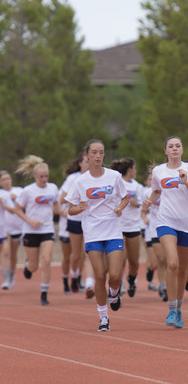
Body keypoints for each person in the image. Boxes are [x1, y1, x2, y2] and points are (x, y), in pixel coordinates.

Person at [65, 139, 129, 331]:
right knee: (100, 276)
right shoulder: (80, 181)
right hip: (92, 232)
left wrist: (119, 207)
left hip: (113, 229)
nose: (98, 156)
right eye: (94, 153)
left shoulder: (114, 176)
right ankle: (103, 317)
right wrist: (79, 207)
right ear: (87, 155)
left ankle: (114, 293)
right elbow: (70, 209)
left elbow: (125, 198)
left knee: (115, 275)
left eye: (101, 153)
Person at [143, 136, 188, 329]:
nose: (174, 148)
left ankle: (178, 309)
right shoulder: (159, 171)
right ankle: (171, 309)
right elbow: (156, 190)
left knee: (182, 270)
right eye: (171, 146)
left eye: (178, 146)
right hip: (165, 221)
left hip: (187, 223)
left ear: (182, 149)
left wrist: (186, 182)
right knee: (172, 263)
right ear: (166, 151)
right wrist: (150, 200)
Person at [13, 156, 61, 306]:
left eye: (46, 176)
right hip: (31, 230)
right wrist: (30, 221)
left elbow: (56, 205)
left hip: (47, 229)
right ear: (35, 176)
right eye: (41, 176)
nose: (44, 179)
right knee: (34, 266)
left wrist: (65, 213)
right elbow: (17, 209)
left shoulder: (53, 188)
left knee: (46, 260)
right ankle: (28, 266)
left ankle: (44, 294)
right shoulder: (28, 190)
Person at [110, 158, 143, 298]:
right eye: (134, 169)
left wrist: (136, 203)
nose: (135, 172)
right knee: (121, 260)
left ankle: (131, 278)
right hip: (120, 226)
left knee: (134, 261)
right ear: (130, 170)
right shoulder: (117, 183)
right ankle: (121, 284)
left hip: (134, 226)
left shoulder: (138, 186)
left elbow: (141, 204)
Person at [59, 153, 90, 293]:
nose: (89, 163)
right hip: (75, 219)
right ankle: (73, 277)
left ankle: (81, 278)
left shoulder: (94, 177)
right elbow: (62, 198)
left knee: (87, 252)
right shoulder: (73, 178)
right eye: (86, 161)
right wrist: (77, 199)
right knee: (76, 254)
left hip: (89, 220)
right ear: (80, 163)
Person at [141, 170, 167, 301]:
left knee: (169, 260)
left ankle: (169, 284)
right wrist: (145, 217)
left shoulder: (169, 190)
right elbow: (143, 211)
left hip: (169, 226)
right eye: (151, 179)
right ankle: (163, 286)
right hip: (154, 228)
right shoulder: (147, 192)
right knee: (161, 259)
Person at [1, 171, 22, 290]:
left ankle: (11, 276)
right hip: (5, 228)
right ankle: (5, 279)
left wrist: (17, 199)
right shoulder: (1, 193)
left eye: (8, 178)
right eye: (3, 179)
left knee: (13, 255)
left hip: (18, 227)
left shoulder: (19, 191)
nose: (6, 181)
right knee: (6, 252)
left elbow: (25, 206)